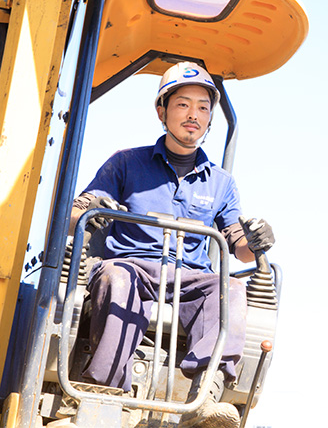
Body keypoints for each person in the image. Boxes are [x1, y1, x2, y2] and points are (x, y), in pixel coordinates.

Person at [69, 61, 275, 428]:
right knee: (117, 277)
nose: (193, 115)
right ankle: (104, 395)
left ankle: (204, 398)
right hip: (131, 267)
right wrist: (91, 209)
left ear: (211, 118)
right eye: (183, 104)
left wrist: (256, 241)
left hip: (189, 280)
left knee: (230, 288)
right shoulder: (125, 164)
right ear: (162, 110)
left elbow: (237, 243)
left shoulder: (221, 183)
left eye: (202, 107)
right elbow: (76, 215)